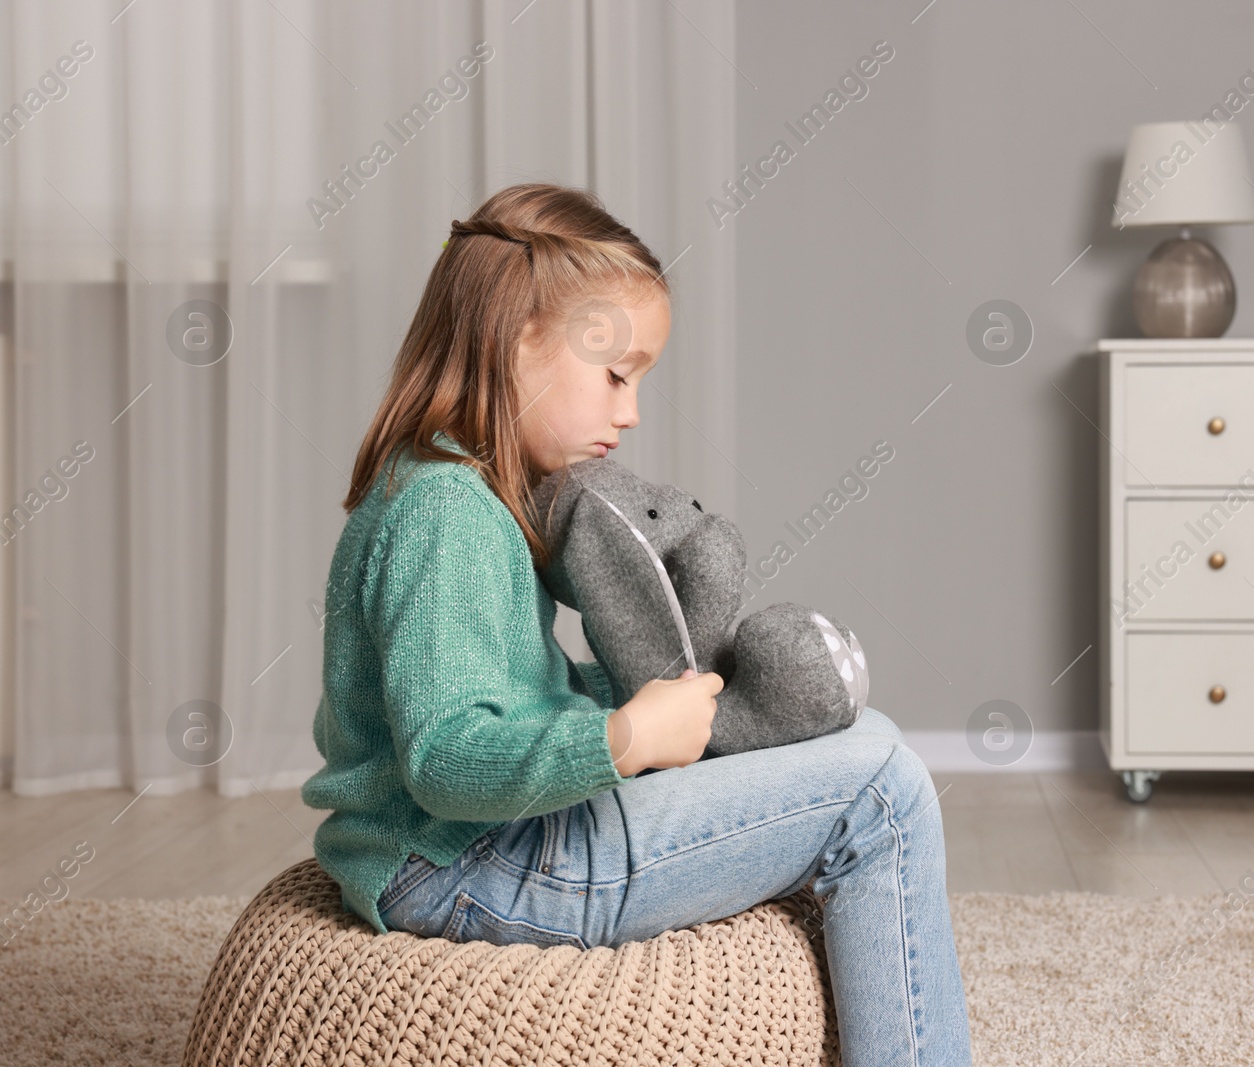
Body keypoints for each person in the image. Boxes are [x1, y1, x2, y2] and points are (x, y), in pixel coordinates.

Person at [300, 182, 973, 1066]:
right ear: (513, 343)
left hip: (480, 841)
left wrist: (630, 697)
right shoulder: (445, 514)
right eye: (615, 374)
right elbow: (447, 755)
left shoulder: (468, 492)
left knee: (868, 735)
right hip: (464, 863)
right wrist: (619, 740)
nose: (631, 411)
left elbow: (515, 693)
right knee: (880, 788)